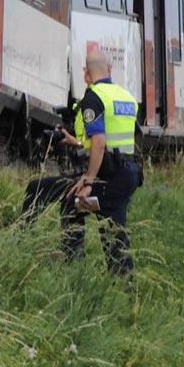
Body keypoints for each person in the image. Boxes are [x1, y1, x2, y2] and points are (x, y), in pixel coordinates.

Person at [59, 45, 142, 278]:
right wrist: (76, 142)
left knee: (77, 205)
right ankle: (123, 287)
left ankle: (75, 270)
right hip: (128, 171)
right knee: (110, 227)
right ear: (110, 68)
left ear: (86, 71)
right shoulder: (126, 96)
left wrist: (88, 180)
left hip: (110, 174)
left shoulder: (94, 97)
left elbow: (99, 142)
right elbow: (118, 139)